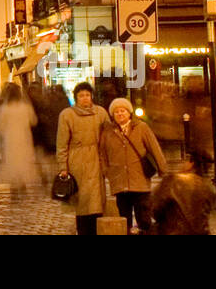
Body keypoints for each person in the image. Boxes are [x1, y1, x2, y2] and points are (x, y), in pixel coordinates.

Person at [100, 97, 167, 233]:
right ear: (113, 115)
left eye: (123, 111)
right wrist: (107, 172)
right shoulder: (108, 132)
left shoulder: (141, 127)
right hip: (119, 182)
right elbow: (102, 154)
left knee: (144, 218)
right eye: (117, 112)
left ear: (129, 112)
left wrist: (162, 168)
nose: (120, 114)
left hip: (139, 181)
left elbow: (154, 147)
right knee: (124, 219)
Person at [56, 82, 109, 235]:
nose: (85, 98)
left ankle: (96, 230)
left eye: (87, 95)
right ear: (76, 98)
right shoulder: (67, 115)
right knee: (83, 203)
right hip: (77, 162)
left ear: (91, 96)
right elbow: (62, 143)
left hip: (97, 160)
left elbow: (109, 137)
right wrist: (63, 167)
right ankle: (83, 231)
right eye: (81, 95)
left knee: (98, 202)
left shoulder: (100, 113)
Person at [0, 84, 38, 194]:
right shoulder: (25, 107)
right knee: (23, 161)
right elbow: (33, 121)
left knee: (13, 162)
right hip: (24, 138)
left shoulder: (5, 109)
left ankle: (14, 186)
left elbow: (0, 125)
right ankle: (22, 185)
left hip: (10, 139)